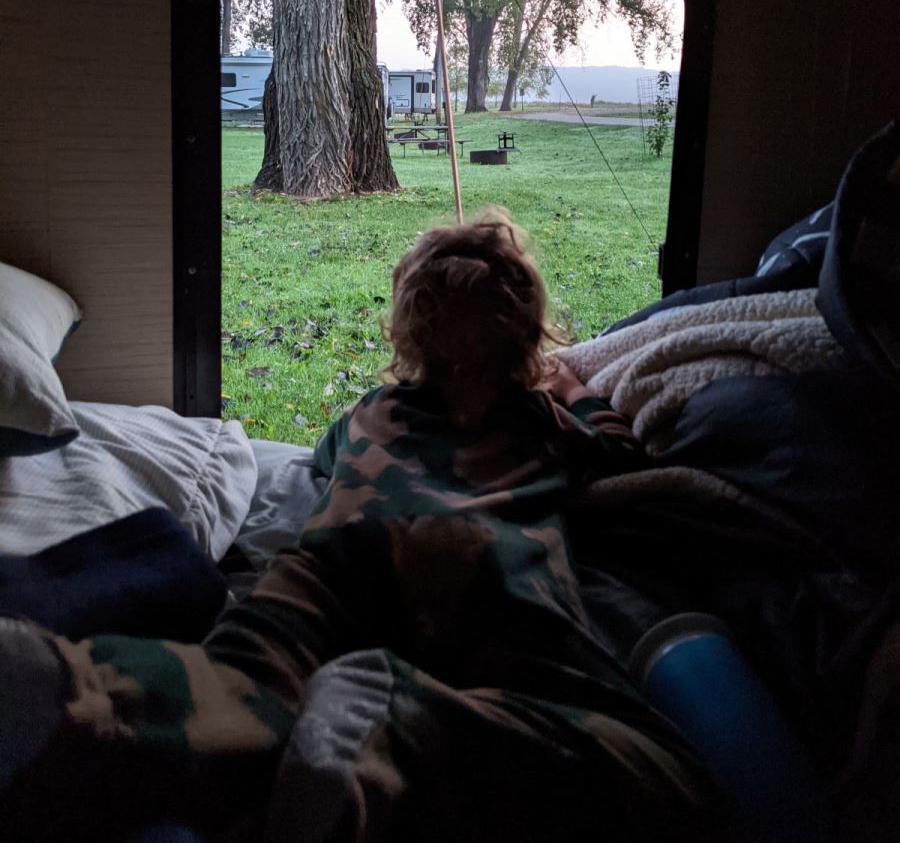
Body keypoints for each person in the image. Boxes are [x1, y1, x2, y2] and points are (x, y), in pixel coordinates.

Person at [1, 211, 726, 843]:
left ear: (407, 334)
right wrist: (584, 395)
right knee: (654, 769)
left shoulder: (371, 413)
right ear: (530, 341)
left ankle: (79, 690)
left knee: (242, 676)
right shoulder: (544, 423)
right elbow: (623, 457)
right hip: (489, 564)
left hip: (334, 558)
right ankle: (394, 724)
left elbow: (323, 457)